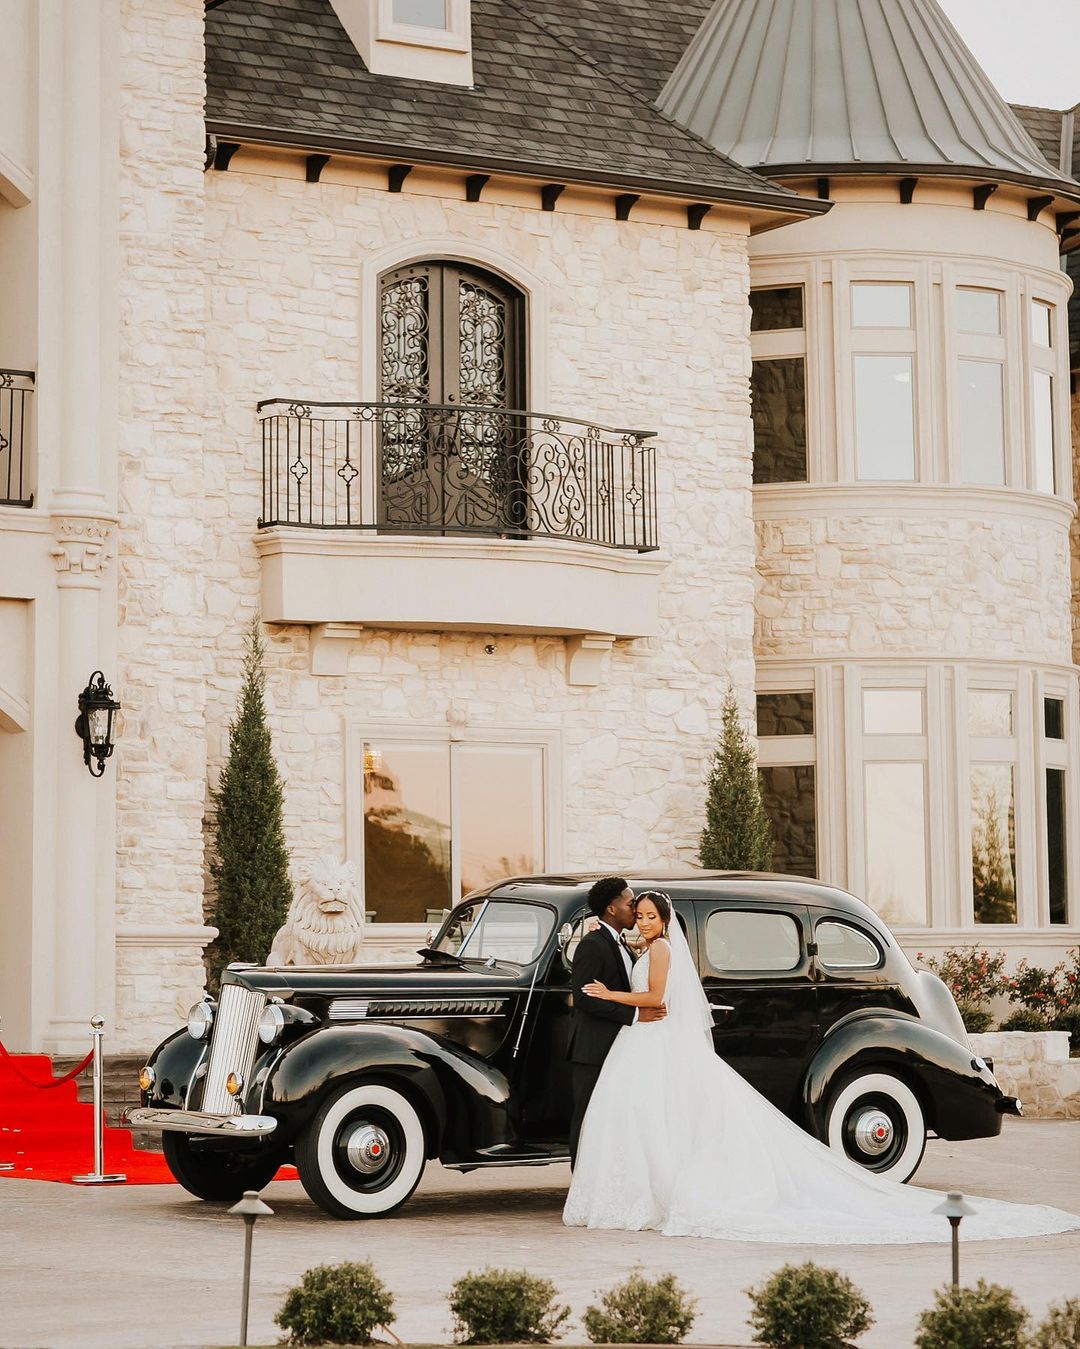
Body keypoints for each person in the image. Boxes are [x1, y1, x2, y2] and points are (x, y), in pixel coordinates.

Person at [563, 889, 1080, 1244]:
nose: (644, 921)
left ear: (663, 921)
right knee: (655, 1119)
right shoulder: (649, 946)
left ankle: (655, 1192)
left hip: (650, 1038)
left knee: (661, 1117)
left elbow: (656, 997)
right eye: (642, 915)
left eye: (652, 916)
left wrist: (612, 993)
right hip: (647, 1040)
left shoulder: (659, 953)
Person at [566, 877, 666, 1167]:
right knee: (587, 1117)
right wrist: (635, 1015)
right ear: (612, 909)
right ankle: (581, 1184)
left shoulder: (623, 943)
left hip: (621, 1048)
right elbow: (585, 999)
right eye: (630, 902)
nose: (634, 908)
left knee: (614, 1121)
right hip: (593, 1049)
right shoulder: (592, 945)